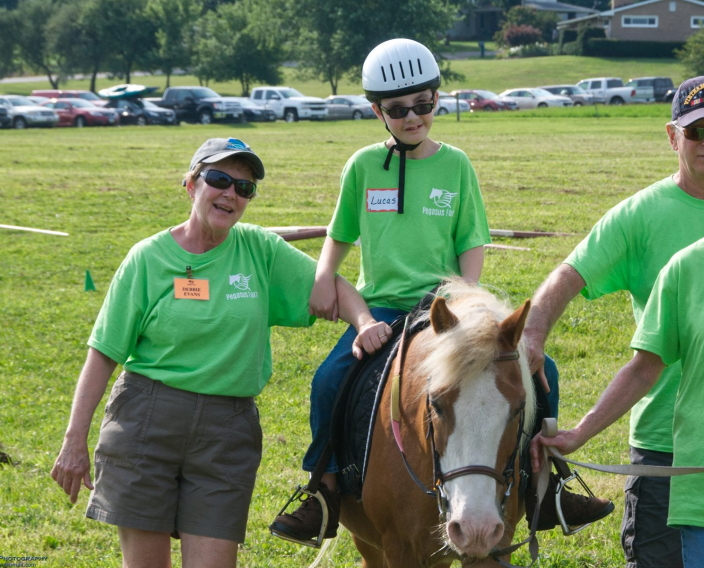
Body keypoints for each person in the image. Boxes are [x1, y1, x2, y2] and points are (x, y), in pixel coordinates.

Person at [270, 38, 611, 545]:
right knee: (329, 377)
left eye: (424, 105)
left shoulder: (456, 165)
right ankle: (323, 488)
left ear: (436, 99)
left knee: (544, 371)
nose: (414, 118)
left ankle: (550, 481)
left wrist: (468, 302)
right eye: (399, 109)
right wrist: (325, 277)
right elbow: (340, 234)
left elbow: (471, 240)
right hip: (384, 304)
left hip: (448, 308)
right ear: (376, 111)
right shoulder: (362, 166)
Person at [50, 137, 390, 568]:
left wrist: (364, 323)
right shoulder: (147, 259)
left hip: (226, 431)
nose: (231, 193)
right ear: (191, 185)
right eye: (219, 179)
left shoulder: (259, 250)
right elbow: (103, 353)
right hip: (146, 421)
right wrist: (73, 439)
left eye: (244, 188)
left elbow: (333, 287)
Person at [522, 77, 704, 567]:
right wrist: (532, 335)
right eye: (697, 132)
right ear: (673, 137)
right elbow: (568, 274)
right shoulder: (638, 216)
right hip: (667, 441)